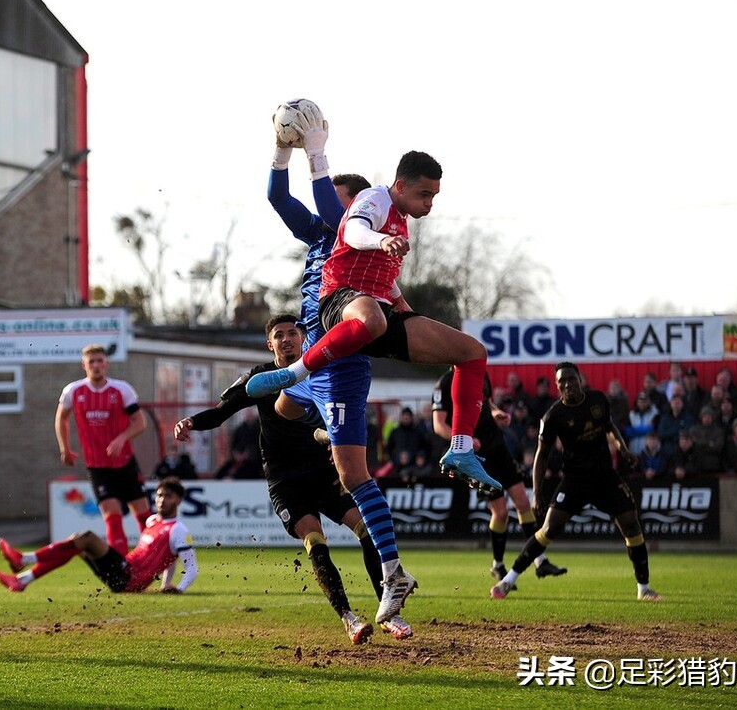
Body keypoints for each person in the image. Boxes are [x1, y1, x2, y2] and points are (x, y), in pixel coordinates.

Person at [247, 149, 500, 493]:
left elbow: (380, 272)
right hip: (338, 299)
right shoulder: (373, 198)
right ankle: (294, 373)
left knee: (472, 352)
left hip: (372, 313)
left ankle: (461, 448)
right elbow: (354, 231)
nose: (429, 204)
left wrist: (403, 304)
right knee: (368, 326)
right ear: (401, 186)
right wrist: (383, 240)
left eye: (433, 196)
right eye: (425, 194)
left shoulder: (399, 217)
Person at [262, 114, 417, 625]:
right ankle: (320, 429)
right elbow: (277, 198)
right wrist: (281, 152)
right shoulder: (317, 235)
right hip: (313, 356)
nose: (331, 207)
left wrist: (315, 152)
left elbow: (333, 209)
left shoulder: (350, 234)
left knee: (354, 479)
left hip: (337, 358)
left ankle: (391, 585)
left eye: (341, 200)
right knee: (281, 408)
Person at [176, 314, 412, 642]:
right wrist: (191, 422)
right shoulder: (260, 379)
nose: (287, 339)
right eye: (279, 335)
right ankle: (349, 619)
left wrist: (334, 441)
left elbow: (343, 414)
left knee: (366, 530)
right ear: (269, 344)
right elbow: (221, 412)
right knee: (316, 542)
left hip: (324, 473)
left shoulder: (321, 370)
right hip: (285, 479)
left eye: (292, 333)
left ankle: (389, 613)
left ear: (302, 338)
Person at [491, 362, 662, 602]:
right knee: (548, 529)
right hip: (575, 480)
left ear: (579, 380)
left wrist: (622, 449)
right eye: (561, 381)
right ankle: (508, 581)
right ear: (557, 386)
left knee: (631, 524)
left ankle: (643, 589)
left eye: (571, 379)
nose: (567, 384)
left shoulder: (597, 400)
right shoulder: (553, 416)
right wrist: (537, 493)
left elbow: (610, 427)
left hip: (605, 477)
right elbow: (541, 455)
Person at [431, 368, 566, 583]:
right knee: (501, 512)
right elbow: (439, 425)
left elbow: (486, 403)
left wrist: (496, 413)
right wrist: (464, 441)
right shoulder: (444, 384)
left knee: (523, 502)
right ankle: (498, 565)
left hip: (498, 447)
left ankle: (540, 561)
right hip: (477, 456)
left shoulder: (479, 372)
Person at [0, 477, 197, 595]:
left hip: (129, 577)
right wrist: (165, 584)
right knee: (76, 542)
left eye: (168, 496)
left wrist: (179, 589)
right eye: (159, 495)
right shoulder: (152, 521)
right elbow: (170, 559)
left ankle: (24, 559)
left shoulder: (178, 530)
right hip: (123, 570)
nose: (162, 500)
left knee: (87, 538)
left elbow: (191, 567)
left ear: (179, 501)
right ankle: (23, 580)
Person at [55, 343, 150, 556]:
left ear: (106, 363)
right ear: (84, 365)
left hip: (125, 462)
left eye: (100, 361)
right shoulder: (73, 391)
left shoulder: (122, 389)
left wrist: (121, 438)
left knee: (144, 517)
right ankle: (121, 567)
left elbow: (140, 423)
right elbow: (61, 418)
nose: (96, 365)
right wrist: (65, 448)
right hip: (97, 466)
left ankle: (152, 560)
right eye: (92, 362)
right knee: (112, 517)